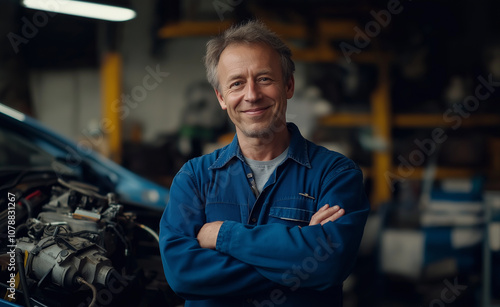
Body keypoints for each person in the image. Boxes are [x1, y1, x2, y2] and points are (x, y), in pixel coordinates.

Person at [159, 20, 370, 307]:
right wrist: (299, 251)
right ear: (221, 97)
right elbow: (183, 274)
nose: (251, 95)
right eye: (236, 83)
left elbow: (328, 264)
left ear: (289, 85)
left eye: (264, 79)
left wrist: (222, 234)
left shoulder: (335, 175)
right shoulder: (194, 178)